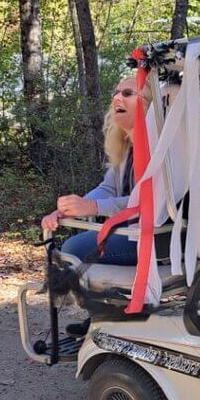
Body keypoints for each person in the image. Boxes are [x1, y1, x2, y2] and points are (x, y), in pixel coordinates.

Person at [40, 76, 146, 265]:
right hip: (126, 232)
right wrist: (69, 209)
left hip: (152, 240)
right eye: (116, 93)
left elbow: (149, 203)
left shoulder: (162, 149)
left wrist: (94, 207)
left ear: (149, 104)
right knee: (70, 249)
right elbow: (108, 189)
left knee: (73, 249)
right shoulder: (126, 148)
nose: (116, 98)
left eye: (128, 93)